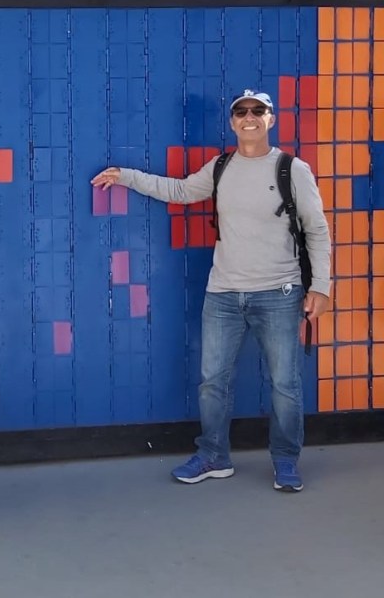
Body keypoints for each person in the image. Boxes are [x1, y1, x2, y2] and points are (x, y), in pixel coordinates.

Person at [91, 88, 331, 492]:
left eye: (258, 111)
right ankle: (214, 456)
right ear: (233, 122)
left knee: (285, 384)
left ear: (271, 119)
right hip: (223, 294)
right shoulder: (221, 167)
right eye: (241, 111)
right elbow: (180, 191)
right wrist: (125, 176)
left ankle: (286, 461)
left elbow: (317, 231)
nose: (249, 117)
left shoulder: (292, 170)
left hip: (279, 293)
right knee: (212, 382)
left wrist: (320, 287)